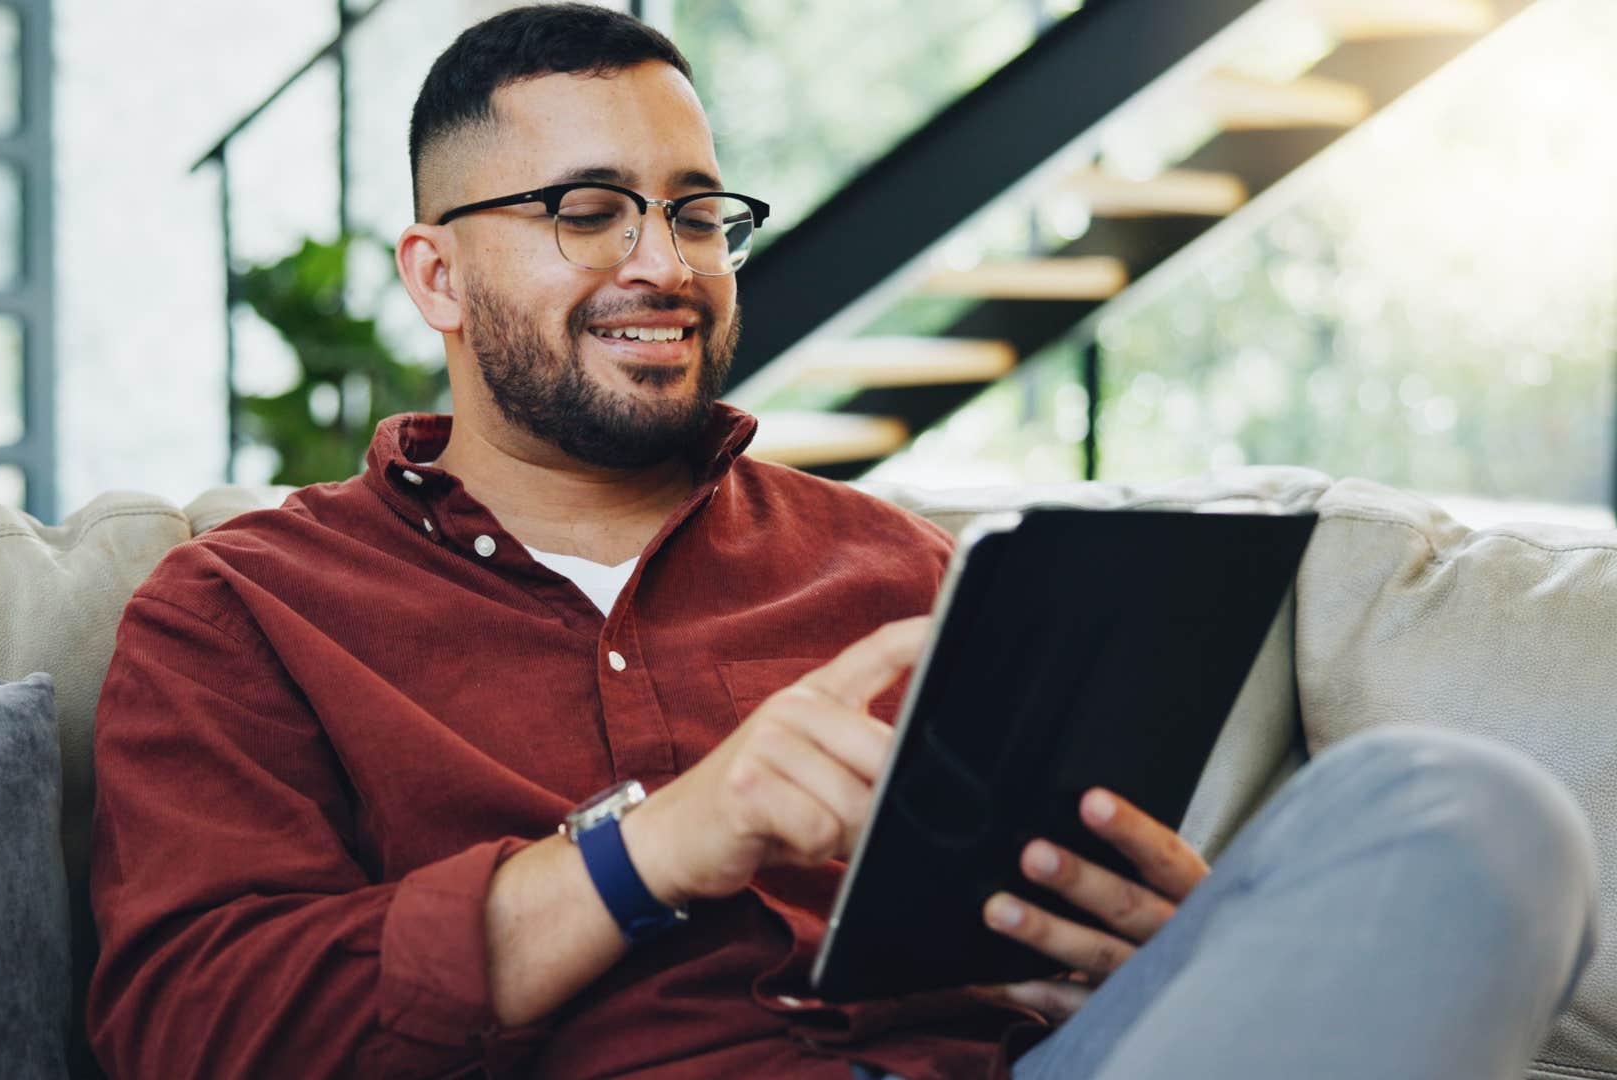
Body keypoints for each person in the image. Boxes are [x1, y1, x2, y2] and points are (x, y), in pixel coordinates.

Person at [84, 5, 1597, 1077]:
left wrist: (1150, 957)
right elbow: (194, 1036)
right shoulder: (242, 610)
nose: (662, 265)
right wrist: (652, 849)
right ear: (435, 274)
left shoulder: (902, 573)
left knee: (1460, 802)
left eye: (696, 212)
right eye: (588, 210)